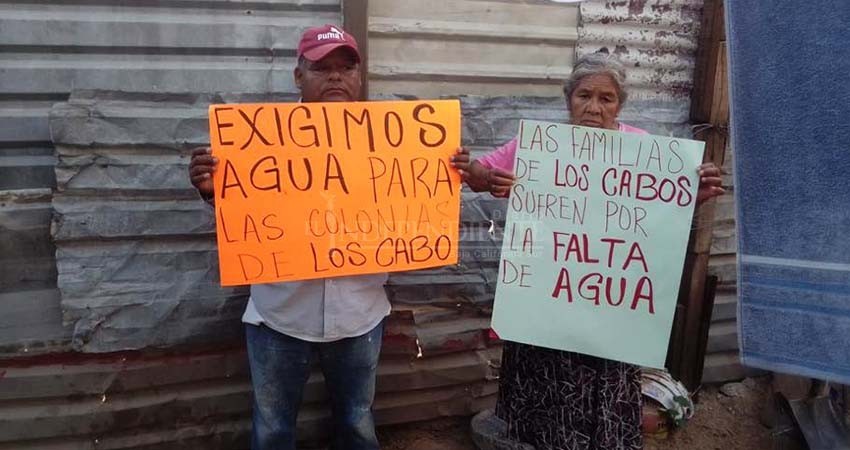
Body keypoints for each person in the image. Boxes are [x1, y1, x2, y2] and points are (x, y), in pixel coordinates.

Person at [451, 52, 725, 450]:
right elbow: (478, 178)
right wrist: (473, 169)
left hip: (608, 307)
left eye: (606, 98)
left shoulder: (643, 150)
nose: (594, 108)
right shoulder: (541, 147)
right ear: (569, 99)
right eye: (584, 96)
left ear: (619, 104)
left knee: (603, 399)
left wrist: (692, 197)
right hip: (546, 299)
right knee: (542, 404)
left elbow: (663, 217)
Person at [188, 25, 387, 450]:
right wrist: (212, 191)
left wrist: (445, 172)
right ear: (299, 76)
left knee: (357, 425)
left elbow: (411, 208)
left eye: (346, 67)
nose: (336, 76)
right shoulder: (257, 142)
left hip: (360, 314)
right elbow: (246, 216)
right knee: (274, 431)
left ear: (359, 76)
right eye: (321, 67)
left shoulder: (391, 143)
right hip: (279, 316)